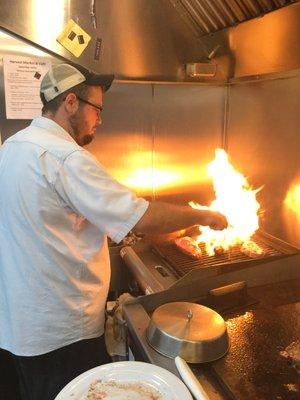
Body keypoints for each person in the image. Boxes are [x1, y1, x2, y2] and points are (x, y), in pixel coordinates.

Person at [0, 63, 227, 400]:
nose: (100, 119)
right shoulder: (66, 158)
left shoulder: (12, 147)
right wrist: (206, 216)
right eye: (97, 109)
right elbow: (142, 218)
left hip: (17, 325)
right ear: (71, 102)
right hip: (62, 333)